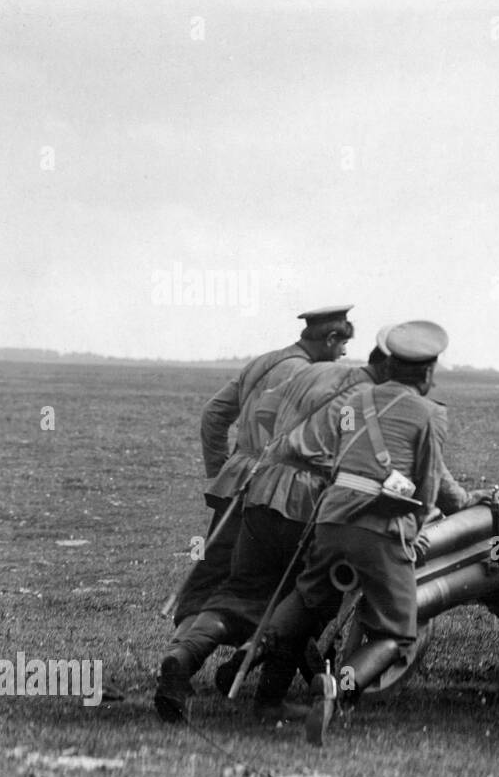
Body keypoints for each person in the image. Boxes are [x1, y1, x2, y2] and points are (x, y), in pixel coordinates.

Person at [155, 329, 386, 722]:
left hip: (258, 492)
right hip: (307, 503)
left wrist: (225, 473)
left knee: (238, 591)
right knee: (309, 599)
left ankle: (182, 656)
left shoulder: (302, 374)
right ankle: (268, 697)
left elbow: (235, 416)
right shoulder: (369, 398)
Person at [251, 320, 455, 743]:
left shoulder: (356, 402)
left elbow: (343, 460)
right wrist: (412, 530)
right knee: (397, 633)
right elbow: (429, 483)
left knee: (307, 601)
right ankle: (338, 687)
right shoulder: (429, 414)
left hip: (330, 519)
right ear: (428, 372)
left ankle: (266, 693)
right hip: (379, 527)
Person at [170, 307, 354, 631]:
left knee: (211, 573)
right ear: (329, 339)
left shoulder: (262, 361)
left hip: (234, 482)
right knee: (278, 582)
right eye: (341, 344)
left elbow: (213, 415)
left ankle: (180, 656)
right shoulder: (311, 375)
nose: (344, 353)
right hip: (276, 489)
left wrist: (220, 474)